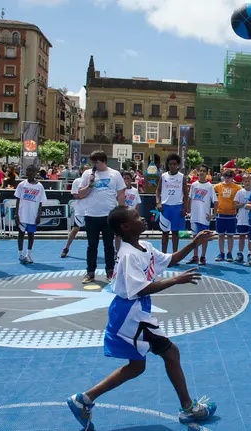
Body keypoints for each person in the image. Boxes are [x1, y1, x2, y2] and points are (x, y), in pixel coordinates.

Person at [67, 206, 217, 429]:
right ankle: (188, 409)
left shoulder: (144, 246)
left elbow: (170, 260)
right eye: (136, 216)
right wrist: (175, 281)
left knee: (137, 366)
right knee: (171, 352)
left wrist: (194, 243)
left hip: (134, 311)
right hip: (130, 313)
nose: (143, 218)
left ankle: (84, 400)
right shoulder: (128, 255)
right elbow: (139, 289)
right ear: (125, 227)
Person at [76, 151, 126, 283]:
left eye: (96, 162)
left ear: (103, 161)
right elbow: (80, 194)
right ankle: (90, 272)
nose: (94, 165)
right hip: (91, 214)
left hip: (108, 215)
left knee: (109, 245)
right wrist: (90, 184)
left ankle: (110, 272)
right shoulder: (87, 174)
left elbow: (121, 194)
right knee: (92, 245)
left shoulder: (114, 174)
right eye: (92, 162)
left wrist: (121, 212)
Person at [14, 165, 47, 264]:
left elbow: (41, 202)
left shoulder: (39, 186)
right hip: (22, 214)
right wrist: (16, 214)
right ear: (26, 172)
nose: (31, 173)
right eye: (28, 171)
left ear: (36, 172)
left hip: (33, 215)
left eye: (33, 171)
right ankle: (20, 254)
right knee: (21, 234)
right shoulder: (21, 185)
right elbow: (18, 200)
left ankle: (29, 254)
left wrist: (39, 215)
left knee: (31, 235)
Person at [156, 154, 187, 255]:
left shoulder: (182, 177)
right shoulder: (163, 176)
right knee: (164, 233)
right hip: (165, 208)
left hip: (177, 207)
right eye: (170, 164)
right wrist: (158, 203)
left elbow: (186, 194)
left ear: (178, 165)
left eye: (174, 164)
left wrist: (185, 208)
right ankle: (163, 255)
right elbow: (158, 191)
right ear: (168, 165)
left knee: (175, 233)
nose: (172, 166)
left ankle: (175, 255)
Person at [187, 165, 217, 265]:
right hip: (194, 216)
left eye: (204, 171)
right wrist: (189, 211)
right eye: (200, 171)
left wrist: (213, 215)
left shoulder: (209, 186)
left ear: (207, 173)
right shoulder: (193, 185)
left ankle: (203, 256)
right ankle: (195, 256)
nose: (202, 173)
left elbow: (215, 201)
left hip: (204, 217)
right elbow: (190, 198)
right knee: (195, 236)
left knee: (204, 237)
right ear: (197, 172)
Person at [213, 170, 242, 262]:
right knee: (220, 235)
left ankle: (229, 253)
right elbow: (209, 190)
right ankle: (221, 253)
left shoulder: (238, 187)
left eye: (229, 177)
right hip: (220, 214)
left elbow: (244, 195)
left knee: (230, 235)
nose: (227, 179)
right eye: (225, 177)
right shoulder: (218, 186)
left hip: (232, 214)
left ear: (232, 178)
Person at [61, 165, 89, 258]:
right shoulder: (77, 181)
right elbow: (75, 195)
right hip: (80, 210)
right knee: (75, 229)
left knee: (93, 232)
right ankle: (66, 248)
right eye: (84, 170)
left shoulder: (94, 182)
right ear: (81, 171)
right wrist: (84, 195)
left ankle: (93, 251)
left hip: (92, 210)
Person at [116, 171, 143, 252]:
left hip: (131, 215)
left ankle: (132, 250)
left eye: (128, 178)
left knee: (131, 234)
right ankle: (117, 251)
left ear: (131, 180)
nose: (126, 180)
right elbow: (116, 199)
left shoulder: (135, 191)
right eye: (124, 179)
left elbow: (137, 203)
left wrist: (137, 216)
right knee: (118, 235)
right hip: (121, 214)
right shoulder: (119, 190)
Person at [233, 175, 251, 264]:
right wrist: (243, 204)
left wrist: (250, 206)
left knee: (250, 237)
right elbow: (235, 205)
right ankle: (240, 253)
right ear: (243, 182)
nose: (247, 183)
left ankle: (250, 254)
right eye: (245, 181)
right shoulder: (240, 192)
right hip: (241, 218)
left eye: (249, 181)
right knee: (241, 236)